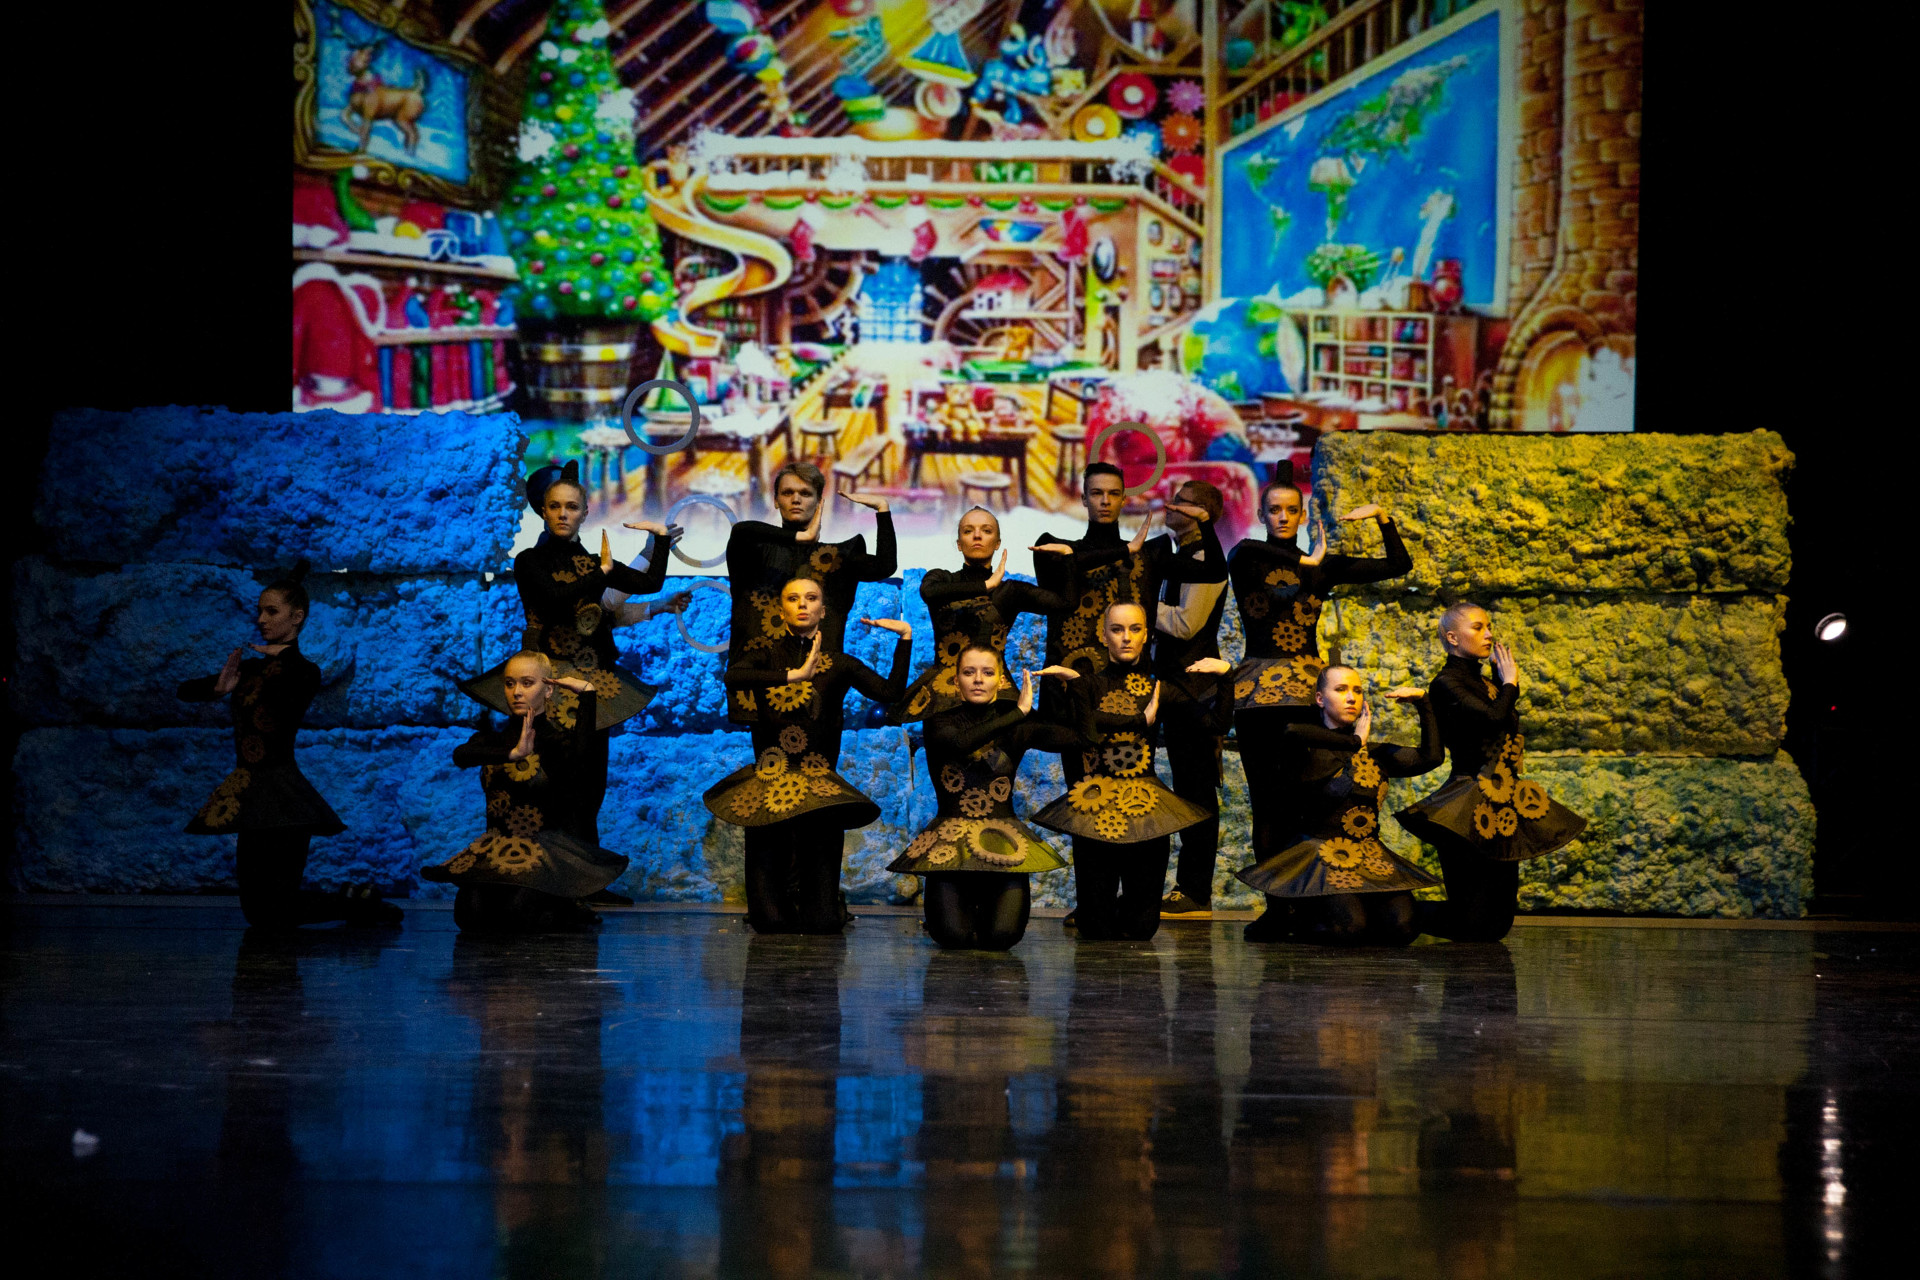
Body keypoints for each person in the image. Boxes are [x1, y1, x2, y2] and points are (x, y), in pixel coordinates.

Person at [460, 460, 680, 844]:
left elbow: (650, 582)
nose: (563, 514)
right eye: (555, 506)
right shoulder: (530, 561)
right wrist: (602, 573)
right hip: (548, 687)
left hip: (592, 688)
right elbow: (555, 600)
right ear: (543, 512)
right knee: (548, 780)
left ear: (585, 513)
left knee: (589, 785)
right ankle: (544, 868)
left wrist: (659, 541)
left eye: (572, 507)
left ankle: (584, 868)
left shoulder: (594, 562)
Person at [179, 561, 401, 929]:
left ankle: (360, 906)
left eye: (272, 612)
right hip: (250, 792)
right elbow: (184, 690)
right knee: (258, 912)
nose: (261, 619)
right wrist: (217, 689)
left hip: (284, 795)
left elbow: (289, 690)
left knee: (277, 907)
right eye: (260, 611)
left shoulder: (304, 670)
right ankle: (353, 902)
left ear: (296, 617)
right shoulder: (249, 670)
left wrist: (279, 655)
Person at [707, 576, 913, 934]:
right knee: (770, 923)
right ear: (781, 609)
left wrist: (906, 638)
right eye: (793, 598)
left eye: (811, 598)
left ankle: (829, 904)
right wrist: (794, 676)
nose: (802, 604)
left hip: (820, 791)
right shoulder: (765, 655)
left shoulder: (839, 664)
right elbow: (733, 677)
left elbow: (891, 692)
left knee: (821, 923)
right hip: (770, 786)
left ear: (823, 610)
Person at [1226, 480, 1411, 862]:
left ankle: (1306, 891)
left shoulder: (1323, 564)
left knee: (1306, 798)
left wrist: (1382, 516)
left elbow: (1399, 564)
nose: (1283, 517)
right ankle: (1275, 895)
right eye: (1274, 510)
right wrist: (1306, 561)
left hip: (1307, 693)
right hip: (1257, 697)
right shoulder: (1249, 560)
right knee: (1265, 800)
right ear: (1261, 515)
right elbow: (1242, 547)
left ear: (1303, 516)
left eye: (1292, 510)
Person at [1031, 602, 1234, 941]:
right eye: (1117, 629)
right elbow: (1086, 727)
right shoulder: (1087, 686)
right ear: (1104, 636)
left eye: (1134, 629)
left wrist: (1226, 676)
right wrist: (1140, 720)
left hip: (1146, 807)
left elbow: (1216, 724)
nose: (1126, 637)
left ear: (1146, 636)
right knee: (1095, 928)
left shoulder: (1159, 688)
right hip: (1096, 807)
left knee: (1141, 928)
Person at [1396, 603, 1587, 942]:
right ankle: (1391, 912)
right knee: (1470, 921)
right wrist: (1510, 683)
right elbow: (1492, 718)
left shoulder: (1486, 683)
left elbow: (1501, 723)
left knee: (1498, 925)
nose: (1488, 634)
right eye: (1477, 627)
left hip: (1504, 803)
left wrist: (1502, 682)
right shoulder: (1447, 682)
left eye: (1488, 626)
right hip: (1467, 803)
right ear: (1452, 638)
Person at [889, 650, 1084, 949]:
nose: (978, 680)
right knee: (953, 938)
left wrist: (1077, 686)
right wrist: (1017, 713)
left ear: (1001, 680)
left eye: (987, 672)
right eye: (969, 672)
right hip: (950, 848)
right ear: (956, 680)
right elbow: (960, 743)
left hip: (1003, 844)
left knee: (1003, 937)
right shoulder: (939, 721)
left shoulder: (1017, 724)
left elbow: (1084, 738)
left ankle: (981, 916)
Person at [1237, 665, 1443, 946]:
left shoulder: (1374, 752)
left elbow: (1432, 757)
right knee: (1349, 927)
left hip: (1367, 855)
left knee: (1404, 927)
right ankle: (1292, 918)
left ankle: (1362, 918)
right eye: (1341, 689)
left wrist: (1424, 702)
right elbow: (1293, 732)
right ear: (1320, 699)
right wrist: (1354, 742)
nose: (1351, 697)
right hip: (1320, 857)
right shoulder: (1303, 746)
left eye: (1357, 690)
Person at [422, 652, 628, 932]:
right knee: (469, 915)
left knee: (519, 915)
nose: (516, 692)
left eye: (527, 683)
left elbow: (582, 763)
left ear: (548, 690)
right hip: (496, 850)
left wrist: (588, 695)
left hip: (541, 856)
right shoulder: (492, 739)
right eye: (510, 683)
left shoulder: (555, 741)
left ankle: (569, 907)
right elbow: (462, 755)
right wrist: (514, 754)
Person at [724, 461, 896, 725]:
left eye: (805, 493)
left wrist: (882, 510)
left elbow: (885, 566)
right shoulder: (754, 553)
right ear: (776, 500)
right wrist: (802, 538)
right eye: (788, 493)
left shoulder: (834, 557)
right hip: (761, 687)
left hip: (818, 688)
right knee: (768, 750)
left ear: (818, 502)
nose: (796, 499)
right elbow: (740, 531)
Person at [894, 505, 1082, 722]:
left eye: (986, 530)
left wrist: (1068, 556)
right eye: (968, 531)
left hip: (997, 693)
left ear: (997, 543)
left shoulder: (1010, 591)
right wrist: (986, 585)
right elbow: (928, 592)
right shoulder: (941, 579)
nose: (977, 536)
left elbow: (1066, 603)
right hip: (944, 691)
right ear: (958, 544)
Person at [1147, 479, 1234, 920]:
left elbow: (1184, 625)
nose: (1170, 505)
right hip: (1169, 685)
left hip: (1192, 690)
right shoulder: (1178, 554)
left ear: (1202, 515)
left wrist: (1137, 603)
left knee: (1196, 791)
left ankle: (1195, 892)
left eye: (1181, 501)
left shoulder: (1202, 560)